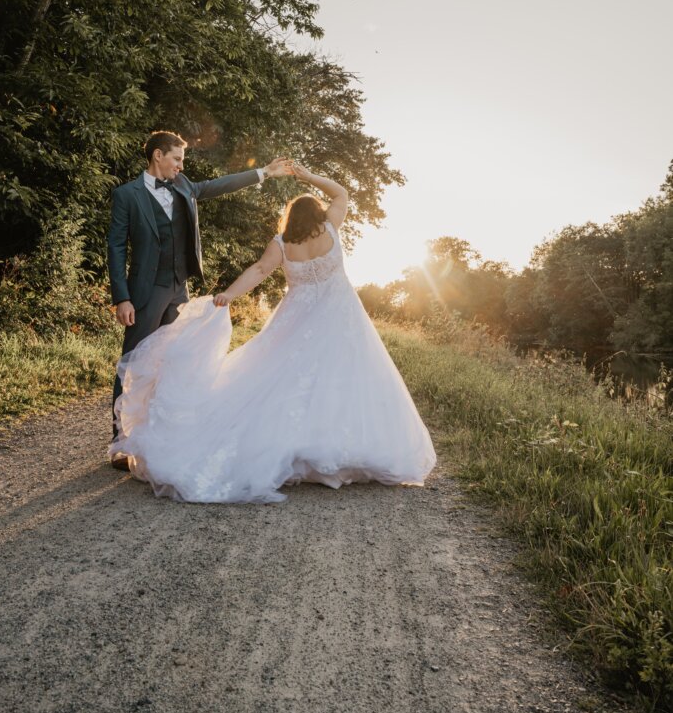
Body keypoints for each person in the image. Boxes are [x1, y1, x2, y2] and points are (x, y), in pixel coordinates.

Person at [107, 164, 437, 501]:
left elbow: (260, 270)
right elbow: (341, 193)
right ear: (318, 212)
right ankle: (335, 450)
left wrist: (229, 295)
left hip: (296, 319)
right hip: (343, 318)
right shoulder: (331, 227)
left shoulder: (282, 243)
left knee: (282, 380)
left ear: (289, 218)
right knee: (344, 377)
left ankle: (298, 449)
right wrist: (307, 176)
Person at [107, 128, 293, 463]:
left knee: (172, 362)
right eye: (176, 158)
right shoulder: (127, 195)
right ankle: (120, 442)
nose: (180, 165)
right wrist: (122, 297)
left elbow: (216, 186)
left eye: (182, 160)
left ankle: (156, 437)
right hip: (146, 292)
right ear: (157, 156)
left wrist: (263, 172)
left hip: (179, 289)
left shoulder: (182, 185)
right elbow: (116, 249)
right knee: (133, 362)